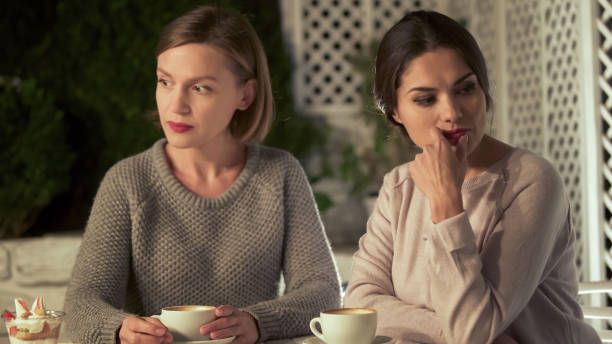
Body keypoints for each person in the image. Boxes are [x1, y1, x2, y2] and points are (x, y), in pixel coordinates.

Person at [64, 6, 341, 344]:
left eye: (200, 88)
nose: (175, 105)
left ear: (246, 95)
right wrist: (120, 329)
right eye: (165, 81)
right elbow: (82, 303)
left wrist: (257, 322)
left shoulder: (279, 175)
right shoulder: (127, 182)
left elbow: (323, 292)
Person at [344, 10, 600, 344]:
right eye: (425, 99)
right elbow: (360, 302)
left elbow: (473, 333)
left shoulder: (531, 181)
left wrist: (446, 203)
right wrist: (446, 331)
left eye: (465, 89)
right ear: (394, 112)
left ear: (484, 91)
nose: (451, 112)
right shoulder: (398, 187)